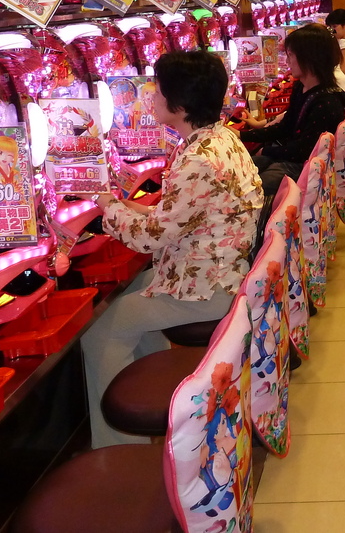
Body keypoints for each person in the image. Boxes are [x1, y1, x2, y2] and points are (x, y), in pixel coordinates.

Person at [83, 50, 264, 448]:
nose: (150, 98)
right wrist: (127, 205)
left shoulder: (198, 159)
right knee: (130, 297)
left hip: (206, 289)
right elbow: (178, 214)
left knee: (98, 332)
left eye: (157, 91)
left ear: (179, 104)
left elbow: (150, 238)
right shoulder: (221, 139)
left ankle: (116, 449)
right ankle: (163, 410)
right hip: (209, 269)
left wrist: (103, 202)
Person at [241, 24, 345, 195]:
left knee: (249, 189)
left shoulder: (327, 102)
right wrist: (242, 136)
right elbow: (286, 125)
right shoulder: (302, 88)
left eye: (290, 56)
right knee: (239, 173)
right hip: (293, 156)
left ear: (309, 58)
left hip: (305, 167)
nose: (286, 62)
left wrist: (266, 149)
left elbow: (303, 150)